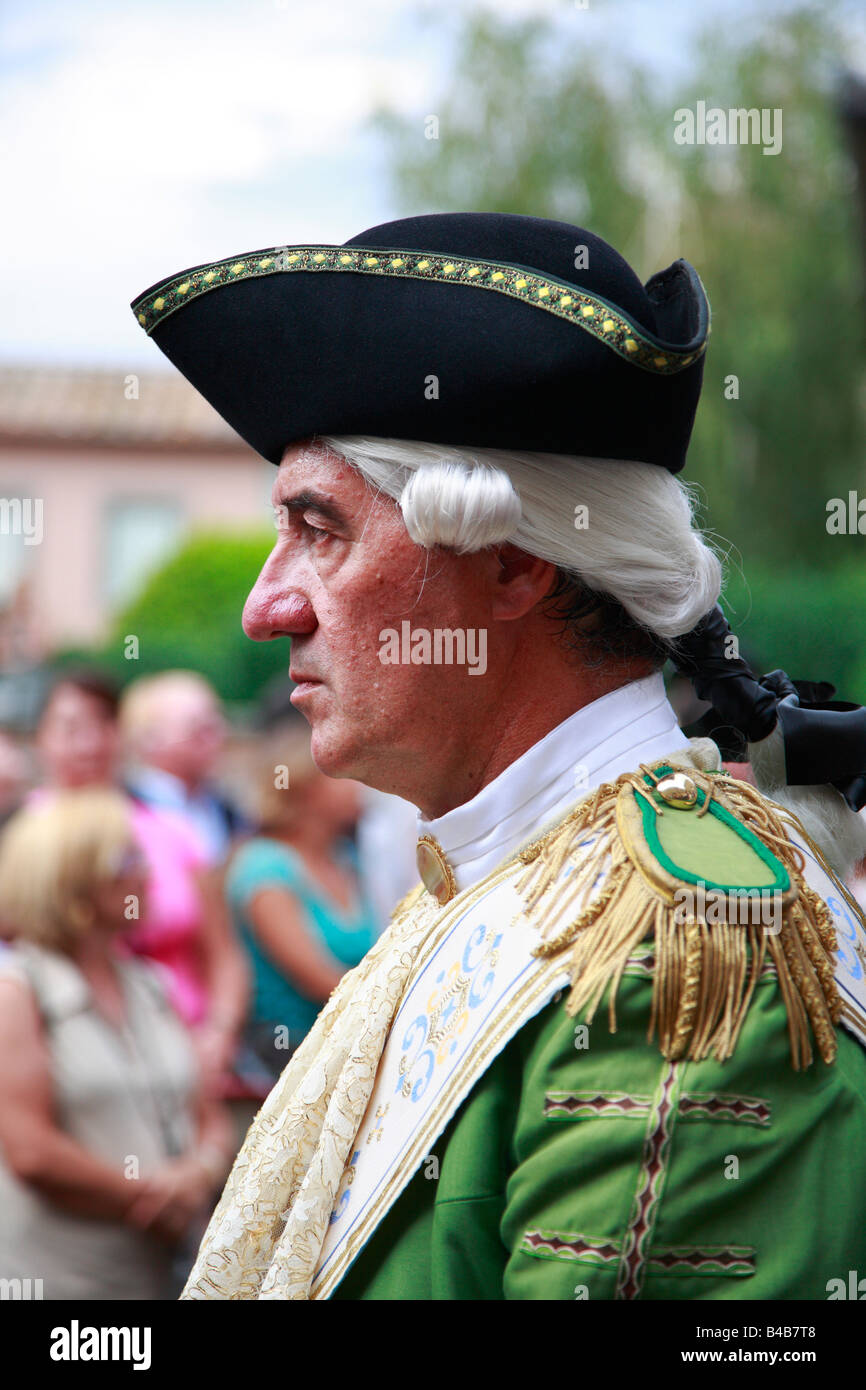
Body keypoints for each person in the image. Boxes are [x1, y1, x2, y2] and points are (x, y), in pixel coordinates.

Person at [131, 212, 866, 1300]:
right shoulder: (506, 871)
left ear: (514, 566)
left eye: (320, 529)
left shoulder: (679, 945)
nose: (263, 605)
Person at [0, 789, 235, 1300]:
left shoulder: (149, 984)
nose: (147, 872)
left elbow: (210, 1117)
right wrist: (156, 1197)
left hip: (158, 1277)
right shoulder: (17, 991)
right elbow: (30, 1151)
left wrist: (198, 1174)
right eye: (126, 857)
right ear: (72, 879)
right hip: (63, 1288)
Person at [34, 670, 249, 1096]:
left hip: (191, 1057)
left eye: (103, 724)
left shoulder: (170, 831)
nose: (90, 744)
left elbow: (223, 951)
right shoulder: (26, 839)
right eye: (71, 727)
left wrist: (218, 1035)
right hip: (75, 1073)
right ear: (40, 738)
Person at [227, 724, 379, 1083]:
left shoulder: (345, 859)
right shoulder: (265, 866)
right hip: (293, 1060)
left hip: (351, 1043)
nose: (361, 786)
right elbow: (316, 980)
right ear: (306, 788)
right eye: (344, 776)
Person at [121, 670, 249, 864]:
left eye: (217, 723)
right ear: (150, 739)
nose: (219, 736)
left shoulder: (230, 812)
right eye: (199, 728)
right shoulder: (121, 814)